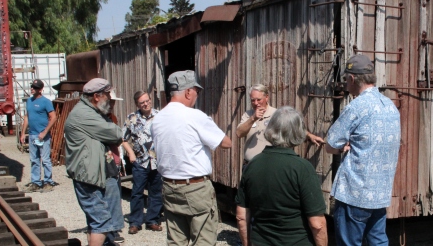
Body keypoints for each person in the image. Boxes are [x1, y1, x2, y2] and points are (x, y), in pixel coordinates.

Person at [325, 55, 401, 246]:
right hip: (379, 193)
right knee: (378, 241)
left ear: (351, 79)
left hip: (355, 193)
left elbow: (331, 144)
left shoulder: (357, 106)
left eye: (346, 79)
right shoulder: (390, 106)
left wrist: (344, 147)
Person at [151, 70, 232, 246]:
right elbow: (226, 143)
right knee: (203, 239)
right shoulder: (195, 116)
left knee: (176, 240)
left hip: (169, 186)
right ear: (188, 91)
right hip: (195, 188)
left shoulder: (157, 119)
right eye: (197, 91)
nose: (197, 95)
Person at [235, 106, 327, 246]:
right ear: (298, 132)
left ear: (271, 129)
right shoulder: (303, 168)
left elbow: (241, 216)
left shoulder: (252, 165)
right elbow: (317, 224)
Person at [64, 78, 124, 246]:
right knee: (101, 222)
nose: (110, 99)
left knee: (101, 221)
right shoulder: (84, 114)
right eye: (107, 95)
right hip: (89, 177)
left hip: (100, 174)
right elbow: (115, 134)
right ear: (97, 96)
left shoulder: (92, 111)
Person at [236, 84, 324, 168]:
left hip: (270, 165)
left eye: (259, 100)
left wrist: (310, 136)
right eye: (252, 100)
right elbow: (239, 134)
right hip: (249, 164)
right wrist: (253, 118)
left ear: (267, 97)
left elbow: (293, 128)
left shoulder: (277, 114)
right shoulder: (247, 115)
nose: (255, 103)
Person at [121, 90, 163, 234]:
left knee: (156, 192)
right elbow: (122, 138)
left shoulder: (160, 116)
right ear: (137, 104)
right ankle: (135, 222)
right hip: (140, 161)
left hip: (157, 161)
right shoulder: (132, 118)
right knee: (137, 192)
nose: (145, 104)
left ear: (150, 100)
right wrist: (130, 152)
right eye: (142, 102)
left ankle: (153, 220)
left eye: (147, 101)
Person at [20, 79, 57, 193]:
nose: (32, 89)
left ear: (40, 89)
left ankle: (48, 182)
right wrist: (22, 133)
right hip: (32, 135)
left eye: (35, 87)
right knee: (34, 159)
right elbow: (27, 117)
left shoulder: (46, 102)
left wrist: (45, 132)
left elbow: (53, 117)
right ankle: (35, 182)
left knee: (45, 159)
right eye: (32, 87)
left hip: (42, 136)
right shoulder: (29, 101)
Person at [106, 90, 125, 244]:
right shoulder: (99, 120)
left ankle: (113, 229)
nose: (112, 105)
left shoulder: (113, 118)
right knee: (109, 197)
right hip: (106, 162)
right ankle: (110, 230)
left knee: (115, 196)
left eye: (113, 102)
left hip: (115, 160)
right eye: (110, 101)